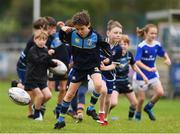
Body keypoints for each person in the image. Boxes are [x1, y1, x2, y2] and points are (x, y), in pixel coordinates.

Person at [54, 10, 112, 129]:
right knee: (69, 94)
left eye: (82, 29)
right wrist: (62, 31)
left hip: (92, 66)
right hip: (78, 67)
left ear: (88, 25)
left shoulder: (95, 36)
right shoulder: (72, 34)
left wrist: (107, 58)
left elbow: (105, 48)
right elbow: (63, 39)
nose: (80, 32)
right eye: (77, 29)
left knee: (99, 85)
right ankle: (61, 120)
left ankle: (90, 108)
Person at [101, 34, 148, 121]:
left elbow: (134, 67)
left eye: (125, 44)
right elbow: (110, 64)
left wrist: (143, 76)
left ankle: (130, 119)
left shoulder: (129, 55)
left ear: (128, 45)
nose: (123, 46)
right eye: (121, 44)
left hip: (125, 81)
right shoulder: (115, 54)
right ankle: (103, 114)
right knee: (114, 103)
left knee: (135, 103)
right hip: (116, 81)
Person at [86, 19, 123, 125]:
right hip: (98, 72)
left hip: (110, 74)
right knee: (103, 90)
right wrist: (99, 63)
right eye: (115, 32)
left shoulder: (118, 49)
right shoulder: (101, 43)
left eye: (120, 33)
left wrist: (106, 66)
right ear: (108, 33)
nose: (118, 35)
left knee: (108, 100)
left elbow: (114, 65)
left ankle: (104, 118)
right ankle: (100, 114)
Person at [11, 17, 49, 118]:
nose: (38, 31)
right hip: (24, 66)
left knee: (32, 91)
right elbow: (35, 60)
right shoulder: (35, 40)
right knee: (30, 91)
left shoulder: (42, 38)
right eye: (37, 29)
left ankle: (18, 85)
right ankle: (31, 112)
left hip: (30, 67)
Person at [134, 24, 171, 121]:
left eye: (155, 33)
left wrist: (167, 59)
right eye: (151, 33)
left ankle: (148, 107)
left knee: (160, 92)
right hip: (141, 74)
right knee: (141, 99)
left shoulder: (157, 44)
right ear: (146, 33)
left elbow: (163, 53)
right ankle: (137, 115)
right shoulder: (141, 46)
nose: (154, 35)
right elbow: (137, 61)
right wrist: (148, 68)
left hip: (152, 74)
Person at [24, 30, 57, 121]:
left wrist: (54, 64)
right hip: (32, 78)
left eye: (44, 39)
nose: (42, 41)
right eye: (39, 39)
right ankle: (37, 115)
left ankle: (36, 105)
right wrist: (48, 55)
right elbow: (38, 61)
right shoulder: (32, 50)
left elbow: (46, 62)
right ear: (35, 40)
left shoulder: (45, 50)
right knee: (40, 96)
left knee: (48, 95)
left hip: (42, 78)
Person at [44, 16, 70, 119]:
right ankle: (40, 107)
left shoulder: (60, 34)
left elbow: (67, 32)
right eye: (51, 28)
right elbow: (44, 51)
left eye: (54, 28)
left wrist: (63, 26)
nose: (53, 30)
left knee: (63, 88)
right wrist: (48, 52)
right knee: (49, 88)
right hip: (53, 66)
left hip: (64, 65)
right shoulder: (47, 39)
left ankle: (58, 108)